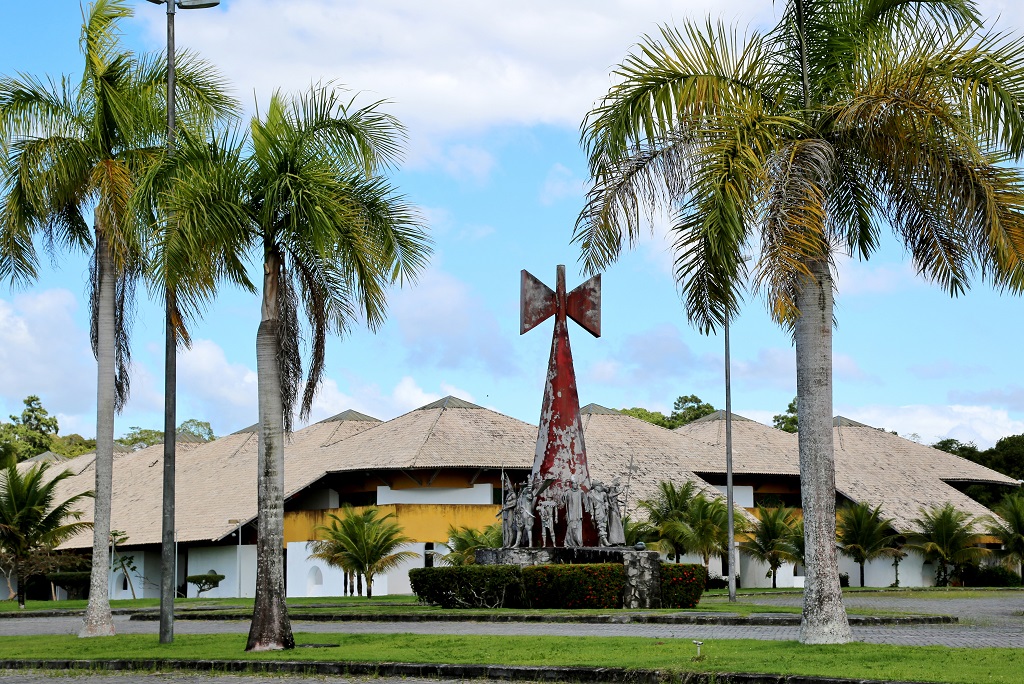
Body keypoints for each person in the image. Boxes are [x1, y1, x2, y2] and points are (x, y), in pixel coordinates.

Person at [586, 482, 611, 547]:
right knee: (600, 526)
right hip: (597, 511)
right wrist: (591, 514)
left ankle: (601, 543)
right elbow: (591, 505)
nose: (601, 487)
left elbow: (606, 501)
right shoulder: (591, 495)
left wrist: (606, 505)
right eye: (599, 486)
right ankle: (605, 540)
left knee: (604, 526)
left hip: (603, 510)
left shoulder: (603, 494)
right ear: (596, 487)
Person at [513, 480, 536, 547]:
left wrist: (529, 485)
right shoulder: (520, 496)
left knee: (529, 529)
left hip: (527, 514)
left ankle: (530, 544)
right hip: (520, 514)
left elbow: (530, 494)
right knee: (519, 529)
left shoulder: (528, 495)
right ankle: (517, 543)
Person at [562, 479, 584, 548]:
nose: (575, 485)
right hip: (571, 514)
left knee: (578, 529)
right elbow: (563, 500)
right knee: (570, 528)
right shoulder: (568, 492)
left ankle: (579, 542)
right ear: (572, 484)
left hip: (578, 514)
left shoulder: (581, 492)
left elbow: (585, 501)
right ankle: (568, 542)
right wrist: (564, 493)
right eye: (574, 483)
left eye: (576, 483)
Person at [606, 477, 626, 546]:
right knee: (614, 523)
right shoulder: (610, 493)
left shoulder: (613, 494)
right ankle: (613, 540)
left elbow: (616, 499)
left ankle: (619, 539)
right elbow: (613, 495)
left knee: (618, 523)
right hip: (613, 510)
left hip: (616, 508)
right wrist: (622, 490)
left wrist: (622, 502)